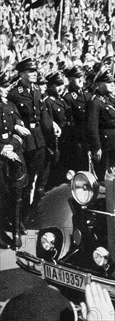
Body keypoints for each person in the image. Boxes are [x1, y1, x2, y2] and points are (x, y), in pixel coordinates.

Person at [8, 57, 49, 225]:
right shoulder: (14, 93)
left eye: (35, 71)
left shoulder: (37, 90)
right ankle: (20, 218)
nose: (35, 73)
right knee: (24, 182)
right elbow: (11, 116)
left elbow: (42, 114)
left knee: (35, 180)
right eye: (31, 71)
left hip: (39, 139)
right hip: (25, 141)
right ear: (22, 74)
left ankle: (29, 214)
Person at [0, 72, 27, 248]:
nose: (6, 90)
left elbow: (18, 123)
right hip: (1, 156)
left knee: (16, 194)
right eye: (3, 87)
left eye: (8, 86)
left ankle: (16, 230)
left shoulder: (10, 104)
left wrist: (15, 141)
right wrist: (1, 150)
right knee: (2, 195)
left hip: (14, 153)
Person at [87, 70, 115, 182]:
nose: (112, 84)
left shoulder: (110, 99)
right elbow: (92, 127)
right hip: (105, 144)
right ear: (99, 84)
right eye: (108, 82)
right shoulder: (95, 101)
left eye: (113, 82)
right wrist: (97, 147)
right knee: (105, 176)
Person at [62, 65, 93, 173]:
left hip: (89, 137)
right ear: (70, 80)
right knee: (80, 169)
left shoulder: (87, 95)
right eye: (77, 77)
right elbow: (70, 122)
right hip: (77, 140)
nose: (81, 79)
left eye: (82, 76)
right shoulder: (68, 97)